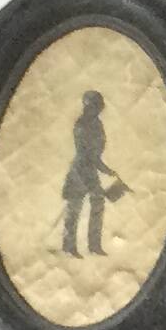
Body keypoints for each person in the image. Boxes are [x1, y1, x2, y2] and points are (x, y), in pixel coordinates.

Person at [58, 91, 127, 258]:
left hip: (91, 170)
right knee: (74, 208)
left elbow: (95, 156)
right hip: (78, 171)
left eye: (98, 107)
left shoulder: (97, 124)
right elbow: (86, 154)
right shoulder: (81, 125)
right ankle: (69, 247)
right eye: (94, 106)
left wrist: (106, 170)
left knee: (98, 203)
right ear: (88, 106)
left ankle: (94, 246)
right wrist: (102, 169)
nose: (98, 110)